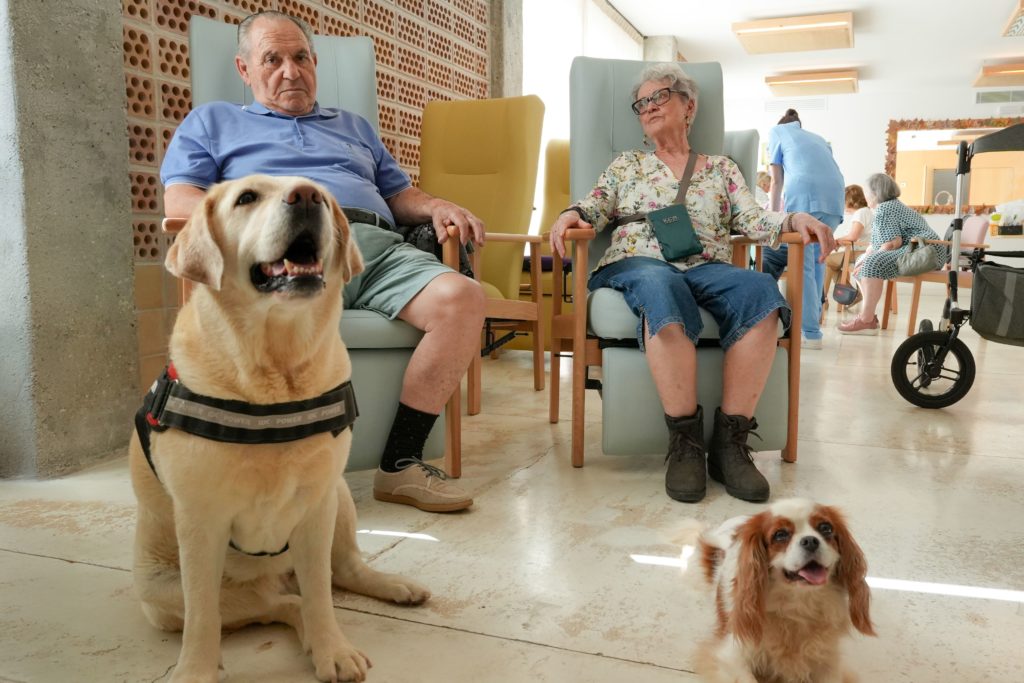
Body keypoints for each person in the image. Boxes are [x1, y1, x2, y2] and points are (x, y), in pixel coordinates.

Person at [160, 11, 485, 512]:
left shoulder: (353, 125)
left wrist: (439, 205)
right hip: (283, 254)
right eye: (272, 59)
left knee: (461, 299)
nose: (290, 71)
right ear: (244, 70)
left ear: (314, 62)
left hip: (372, 248)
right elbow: (181, 204)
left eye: (300, 57)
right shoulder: (212, 121)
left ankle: (400, 465)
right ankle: (270, 475)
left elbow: (400, 194)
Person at [548, 64, 834, 504]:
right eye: (640, 104)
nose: (647, 108)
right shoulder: (628, 164)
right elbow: (594, 205)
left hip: (706, 265)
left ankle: (731, 445)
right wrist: (572, 214)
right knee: (663, 288)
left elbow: (754, 218)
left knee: (762, 294)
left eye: (658, 97)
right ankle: (684, 443)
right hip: (637, 261)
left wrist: (795, 217)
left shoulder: (721, 168)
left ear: (689, 106)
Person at [760, 109, 845, 350]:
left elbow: (777, 181)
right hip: (835, 199)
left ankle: (808, 333)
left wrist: (773, 219)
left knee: (804, 265)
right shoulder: (818, 138)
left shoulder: (777, 132)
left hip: (806, 197)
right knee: (818, 263)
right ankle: (812, 329)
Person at [839, 173, 945, 335]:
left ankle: (866, 320)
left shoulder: (885, 208)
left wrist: (869, 260)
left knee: (871, 262)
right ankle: (868, 318)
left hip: (923, 251)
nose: (865, 196)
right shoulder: (892, 205)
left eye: (866, 192)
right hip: (926, 250)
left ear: (874, 193)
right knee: (866, 261)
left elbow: (890, 243)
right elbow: (884, 243)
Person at [822, 184, 873, 310]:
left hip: (860, 252)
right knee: (833, 265)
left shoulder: (860, 213)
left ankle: (822, 300)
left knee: (827, 260)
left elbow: (853, 237)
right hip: (864, 251)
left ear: (849, 200)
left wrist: (837, 241)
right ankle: (851, 294)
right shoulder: (867, 212)